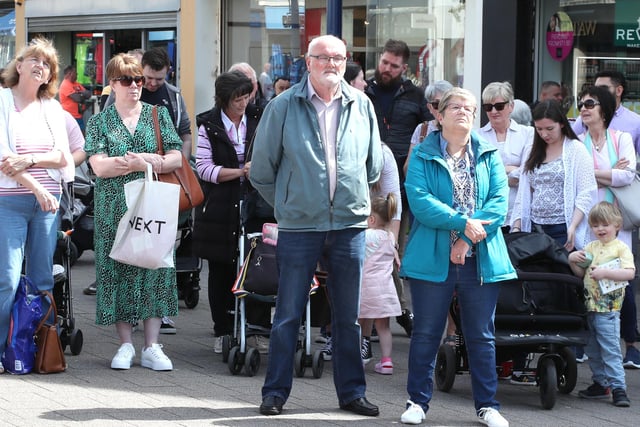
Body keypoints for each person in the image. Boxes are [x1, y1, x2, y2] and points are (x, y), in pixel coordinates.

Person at [250, 34, 383, 417]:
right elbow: (261, 171)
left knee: (347, 318)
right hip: (299, 227)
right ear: (307, 62)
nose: (332, 64)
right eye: (323, 57)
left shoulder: (362, 105)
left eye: (339, 58)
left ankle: (352, 394)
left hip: (349, 225)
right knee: (288, 313)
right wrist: (291, 204)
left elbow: (373, 165)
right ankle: (274, 393)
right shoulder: (283, 105)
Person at [399, 87, 515, 426]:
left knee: (481, 334)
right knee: (426, 332)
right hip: (431, 256)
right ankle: (417, 402)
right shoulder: (421, 155)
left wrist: (465, 238)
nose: (464, 112)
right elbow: (420, 203)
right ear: (439, 114)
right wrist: (463, 222)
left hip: (480, 257)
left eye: (469, 108)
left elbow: (497, 204)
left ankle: (487, 406)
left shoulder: (489, 154)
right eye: (456, 107)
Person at [84, 53, 183, 371]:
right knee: (117, 272)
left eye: (138, 80)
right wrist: (140, 160)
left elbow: (177, 158)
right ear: (112, 84)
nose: (135, 86)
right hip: (113, 207)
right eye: (127, 80)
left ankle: (153, 345)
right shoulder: (99, 121)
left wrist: (143, 162)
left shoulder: (158, 115)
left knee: (155, 268)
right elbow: (97, 165)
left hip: (152, 205)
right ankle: (125, 343)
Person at [0, 38, 74, 375]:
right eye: (33, 59)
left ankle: (43, 349)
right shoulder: (2, 101)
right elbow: (3, 160)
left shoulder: (52, 108)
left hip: (47, 203)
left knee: (43, 279)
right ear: (19, 66)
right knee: (7, 278)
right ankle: (2, 349)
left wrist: (28, 160)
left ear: (48, 76)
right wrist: (36, 186)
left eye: (46, 64)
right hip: (10, 201)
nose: (39, 66)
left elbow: (62, 155)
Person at [192, 70, 264, 354]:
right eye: (237, 99)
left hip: (255, 203)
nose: (243, 104)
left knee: (256, 265)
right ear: (223, 100)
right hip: (219, 204)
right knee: (220, 268)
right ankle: (221, 327)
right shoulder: (207, 124)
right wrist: (241, 171)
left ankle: (254, 326)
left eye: (246, 97)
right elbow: (204, 169)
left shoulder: (259, 118)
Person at [365, 39, 431, 336]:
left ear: (404, 68)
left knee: (392, 249)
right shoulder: (365, 91)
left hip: (399, 187)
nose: (387, 69)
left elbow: (426, 136)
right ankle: (375, 313)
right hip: (365, 182)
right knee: (367, 250)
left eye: (394, 65)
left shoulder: (416, 97)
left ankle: (399, 310)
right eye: (384, 62)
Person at [576, 85, 640, 368]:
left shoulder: (622, 137)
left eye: (589, 103)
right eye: (580, 104)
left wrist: (598, 175)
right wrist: (610, 174)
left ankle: (630, 345)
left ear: (604, 107)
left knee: (620, 283)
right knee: (586, 280)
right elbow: (577, 180)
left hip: (617, 221)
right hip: (586, 221)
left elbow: (627, 175)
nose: (584, 108)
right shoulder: (577, 142)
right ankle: (586, 344)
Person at [568, 201, 634, 407]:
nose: (600, 229)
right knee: (592, 348)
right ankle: (600, 382)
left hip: (608, 310)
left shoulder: (621, 248)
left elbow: (629, 273)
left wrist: (605, 272)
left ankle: (618, 387)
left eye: (605, 224)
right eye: (595, 225)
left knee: (610, 348)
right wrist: (572, 260)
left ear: (617, 225)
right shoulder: (591, 247)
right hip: (590, 307)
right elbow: (582, 274)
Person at [510, 100, 597, 252]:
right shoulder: (533, 149)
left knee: (562, 272)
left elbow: (586, 193)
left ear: (562, 124)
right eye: (539, 129)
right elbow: (524, 193)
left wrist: (573, 226)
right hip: (535, 227)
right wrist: (517, 227)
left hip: (563, 226)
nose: (544, 134)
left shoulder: (576, 149)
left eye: (550, 128)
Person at [478, 82, 534, 224]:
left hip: (519, 213)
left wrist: (494, 174)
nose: (493, 111)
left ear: (511, 106)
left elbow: (528, 173)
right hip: (487, 213)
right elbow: (478, 176)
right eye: (488, 107)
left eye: (499, 106)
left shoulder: (528, 133)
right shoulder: (476, 137)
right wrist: (510, 170)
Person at [358, 193, 401, 374]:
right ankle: (387, 362)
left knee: (360, 324)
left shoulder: (366, 236)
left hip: (366, 287)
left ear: (372, 218)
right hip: (385, 289)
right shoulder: (390, 237)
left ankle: (358, 357)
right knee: (384, 327)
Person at [572, 70, 640, 153]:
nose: (598, 92)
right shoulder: (583, 120)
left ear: (619, 90)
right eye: (596, 88)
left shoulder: (636, 122)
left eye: (603, 88)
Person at [403, 80, 454, 175]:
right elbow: (408, 168)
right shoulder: (422, 129)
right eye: (437, 105)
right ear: (430, 108)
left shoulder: (460, 129)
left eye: (446, 104)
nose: (442, 109)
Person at [59, 65, 91, 131]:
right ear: (70, 74)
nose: (77, 75)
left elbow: (88, 94)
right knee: (74, 137)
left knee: (81, 137)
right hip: (70, 116)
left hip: (78, 116)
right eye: (75, 73)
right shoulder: (65, 84)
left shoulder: (76, 84)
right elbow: (78, 99)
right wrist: (82, 94)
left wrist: (79, 94)